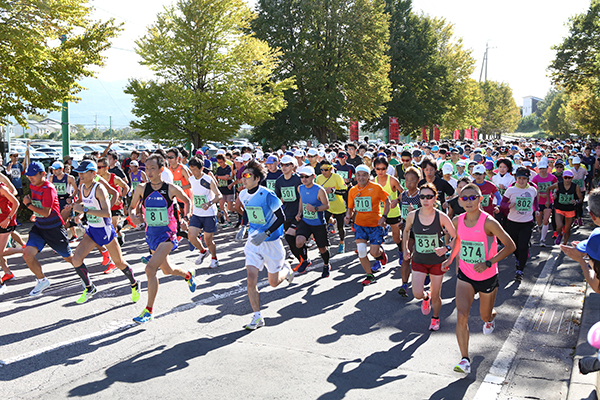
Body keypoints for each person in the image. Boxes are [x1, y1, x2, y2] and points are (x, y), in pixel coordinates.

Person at [442, 183, 516, 374]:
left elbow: (510, 246)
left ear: (480, 199)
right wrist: (449, 258)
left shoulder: (489, 222)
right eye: (464, 198)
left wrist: (489, 262)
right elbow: (458, 241)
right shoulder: (458, 221)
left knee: (484, 315)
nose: (468, 201)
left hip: (487, 276)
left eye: (472, 197)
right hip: (465, 275)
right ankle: (465, 359)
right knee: (461, 315)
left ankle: (491, 318)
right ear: (459, 200)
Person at [128, 154, 195, 324]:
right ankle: (187, 275)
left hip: (168, 234)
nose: (149, 171)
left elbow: (187, 201)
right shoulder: (141, 188)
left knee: (150, 269)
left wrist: (185, 218)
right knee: (167, 270)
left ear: (161, 170)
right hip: (151, 235)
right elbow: (131, 207)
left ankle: (148, 310)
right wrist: (133, 216)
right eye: (147, 168)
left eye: (152, 168)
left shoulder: (170, 188)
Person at [70, 160, 141, 304]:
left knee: (119, 262)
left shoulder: (99, 188)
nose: (80, 175)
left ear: (93, 173)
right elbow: (88, 205)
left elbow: (107, 213)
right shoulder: (83, 187)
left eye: (83, 172)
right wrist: (80, 215)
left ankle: (134, 283)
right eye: (79, 172)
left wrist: (83, 210)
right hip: (92, 231)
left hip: (105, 230)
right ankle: (89, 287)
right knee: (76, 259)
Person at [235, 159, 294, 330]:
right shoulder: (243, 194)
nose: (243, 179)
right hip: (254, 241)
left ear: (257, 178)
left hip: (271, 242)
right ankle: (257, 317)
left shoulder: (268, 195)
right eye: (242, 176)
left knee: (273, 283)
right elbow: (249, 213)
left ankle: (287, 269)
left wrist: (266, 233)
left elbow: (281, 218)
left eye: (247, 176)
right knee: (250, 279)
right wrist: (244, 227)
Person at [403, 183, 456, 331]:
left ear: (435, 198)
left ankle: (435, 318)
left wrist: (446, 248)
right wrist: (405, 247)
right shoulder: (412, 215)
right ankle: (426, 298)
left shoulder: (442, 217)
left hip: (436, 262)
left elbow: (456, 237)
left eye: (429, 197)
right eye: (422, 197)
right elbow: (406, 231)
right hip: (419, 260)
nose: (425, 199)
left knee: (436, 294)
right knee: (417, 293)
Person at [22, 162, 75, 296]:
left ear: (43, 174)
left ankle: (84, 277)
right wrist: (35, 213)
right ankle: (42, 280)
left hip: (54, 228)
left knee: (70, 259)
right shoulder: (33, 185)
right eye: (29, 176)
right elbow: (38, 205)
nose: (30, 178)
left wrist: (28, 205)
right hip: (40, 227)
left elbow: (46, 212)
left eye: (33, 175)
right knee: (27, 254)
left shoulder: (49, 188)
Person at [345, 165, 390, 286]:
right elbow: (350, 208)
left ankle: (380, 255)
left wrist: (384, 217)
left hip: (375, 225)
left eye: (364, 175)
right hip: (360, 225)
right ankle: (369, 275)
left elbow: (387, 201)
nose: (361, 177)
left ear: (368, 176)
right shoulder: (352, 191)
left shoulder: (376, 188)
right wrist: (348, 216)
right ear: (355, 176)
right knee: (361, 251)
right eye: (358, 175)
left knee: (374, 253)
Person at [501, 167, 539, 281]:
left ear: (528, 179)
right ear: (515, 178)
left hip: (527, 222)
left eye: (524, 178)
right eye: (519, 178)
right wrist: (508, 206)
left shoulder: (532, 190)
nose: (521, 181)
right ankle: (518, 258)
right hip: (512, 222)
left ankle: (520, 270)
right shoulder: (511, 190)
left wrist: (536, 209)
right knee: (515, 246)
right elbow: (502, 203)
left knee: (523, 246)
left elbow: (535, 201)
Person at [295, 165, 331, 278]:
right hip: (305, 221)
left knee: (322, 249)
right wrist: (299, 213)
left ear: (313, 177)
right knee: (298, 242)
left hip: (318, 223)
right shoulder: (300, 188)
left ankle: (326, 264)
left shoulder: (319, 190)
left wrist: (315, 208)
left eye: (307, 176)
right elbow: (302, 200)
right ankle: (305, 260)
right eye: (301, 176)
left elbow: (327, 206)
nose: (304, 179)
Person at [187, 155, 222, 269]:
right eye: (191, 170)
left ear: (201, 168)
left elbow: (219, 195)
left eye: (195, 170)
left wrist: (209, 203)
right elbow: (192, 189)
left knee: (208, 240)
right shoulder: (191, 179)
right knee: (191, 237)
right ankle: (203, 251)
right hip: (197, 213)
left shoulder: (208, 179)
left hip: (209, 214)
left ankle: (214, 258)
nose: (193, 172)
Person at [274, 155, 304, 268]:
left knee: (290, 236)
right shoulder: (279, 181)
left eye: (287, 165)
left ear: (293, 166)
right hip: (286, 214)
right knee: (291, 239)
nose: (284, 167)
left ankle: (304, 259)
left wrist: (300, 212)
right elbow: (277, 198)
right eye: (282, 165)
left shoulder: (298, 179)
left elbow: (302, 197)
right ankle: (302, 258)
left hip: (298, 214)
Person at [373, 156, 403, 270]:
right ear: (374, 169)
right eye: (378, 169)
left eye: (383, 168)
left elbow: (403, 193)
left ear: (387, 168)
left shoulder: (392, 180)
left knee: (396, 238)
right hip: (379, 214)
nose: (381, 171)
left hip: (393, 213)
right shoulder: (373, 181)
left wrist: (397, 200)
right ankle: (378, 260)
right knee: (377, 238)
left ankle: (400, 251)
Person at [397, 166, 422, 297]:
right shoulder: (403, 195)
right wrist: (403, 221)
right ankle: (404, 284)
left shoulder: (422, 195)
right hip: (408, 231)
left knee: (420, 258)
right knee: (406, 257)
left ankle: (426, 275)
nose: (409, 183)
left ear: (418, 180)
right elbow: (404, 212)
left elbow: (427, 215)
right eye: (406, 180)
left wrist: (415, 215)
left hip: (422, 232)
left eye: (412, 180)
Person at [316, 159, 348, 254]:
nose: (324, 172)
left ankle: (342, 243)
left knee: (340, 227)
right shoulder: (319, 178)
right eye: (322, 169)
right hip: (326, 206)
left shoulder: (337, 177)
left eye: (326, 169)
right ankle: (326, 245)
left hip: (338, 206)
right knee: (323, 226)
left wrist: (333, 191)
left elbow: (344, 191)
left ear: (331, 169)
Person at [97, 157, 130, 247]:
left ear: (106, 168)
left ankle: (112, 246)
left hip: (116, 206)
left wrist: (121, 197)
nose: (98, 170)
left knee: (113, 227)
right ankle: (120, 235)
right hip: (104, 206)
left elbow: (126, 187)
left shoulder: (114, 178)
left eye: (100, 167)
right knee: (109, 227)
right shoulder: (97, 179)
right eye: (97, 167)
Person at [548, 169, 583, 245]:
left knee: (567, 230)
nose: (567, 179)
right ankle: (560, 234)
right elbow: (548, 189)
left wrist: (576, 201)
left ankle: (564, 243)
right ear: (563, 177)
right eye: (565, 177)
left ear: (572, 178)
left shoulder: (575, 186)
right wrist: (550, 198)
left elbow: (581, 198)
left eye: (569, 178)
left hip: (570, 209)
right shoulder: (558, 185)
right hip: (559, 208)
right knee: (559, 226)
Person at [0, 179, 23, 292]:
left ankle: (24, 250)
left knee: (0, 252)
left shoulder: (2, 188)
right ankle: (8, 273)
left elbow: (16, 203)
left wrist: (8, 219)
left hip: (5, 223)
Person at [48, 161, 78, 241]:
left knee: (62, 221)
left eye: (56, 170)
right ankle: (73, 226)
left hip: (66, 201)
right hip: (56, 201)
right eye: (53, 170)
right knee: (58, 221)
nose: (54, 171)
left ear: (61, 169)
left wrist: (71, 198)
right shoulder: (51, 178)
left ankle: (64, 238)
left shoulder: (69, 178)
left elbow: (76, 189)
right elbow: (49, 190)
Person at [531, 159, 557, 246]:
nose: (542, 170)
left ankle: (542, 239)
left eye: (544, 168)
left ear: (547, 168)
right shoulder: (536, 178)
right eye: (541, 168)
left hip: (548, 201)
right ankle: (540, 227)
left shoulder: (552, 177)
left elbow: (557, 185)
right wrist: (537, 194)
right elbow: (532, 188)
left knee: (546, 220)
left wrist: (554, 193)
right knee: (539, 222)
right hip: (538, 202)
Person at [215, 153, 235, 227]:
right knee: (221, 206)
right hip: (222, 189)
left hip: (229, 190)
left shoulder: (228, 168)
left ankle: (241, 212)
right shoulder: (218, 169)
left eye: (221, 162)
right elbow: (217, 177)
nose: (220, 164)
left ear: (225, 161)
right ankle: (228, 220)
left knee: (230, 207)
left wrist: (218, 177)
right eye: (218, 162)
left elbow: (226, 177)